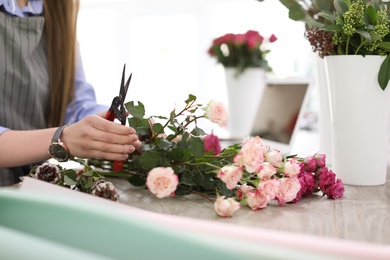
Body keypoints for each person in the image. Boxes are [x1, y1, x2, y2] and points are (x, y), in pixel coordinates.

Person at [0, 0, 140, 187]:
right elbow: (69, 131)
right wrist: (62, 138)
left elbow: (75, 104)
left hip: (27, 188)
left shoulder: (56, 12)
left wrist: (114, 127)